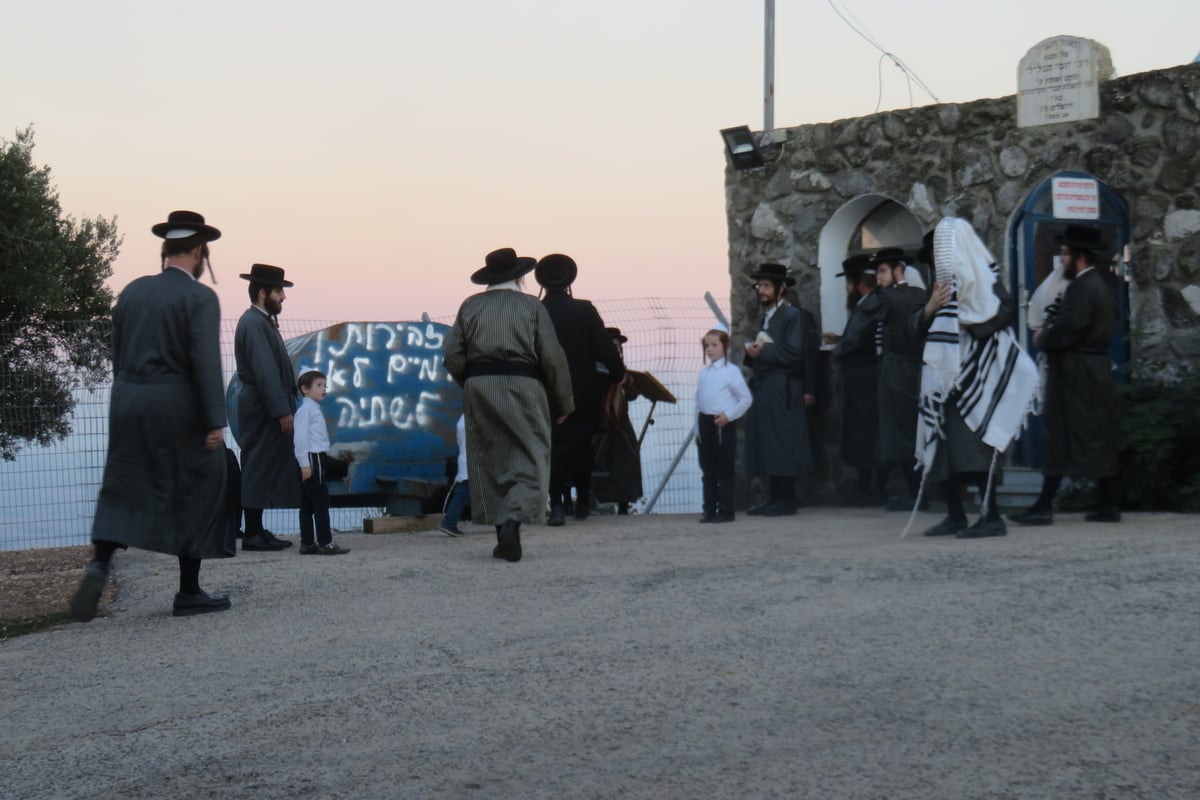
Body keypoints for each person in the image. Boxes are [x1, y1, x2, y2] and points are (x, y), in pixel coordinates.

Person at [72, 210, 233, 621]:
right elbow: (205, 362)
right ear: (199, 250)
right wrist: (215, 420)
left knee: (125, 482)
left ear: (166, 249)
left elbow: (117, 351)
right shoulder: (199, 298)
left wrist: (128, 393)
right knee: (200, 480)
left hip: (127, 398)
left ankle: (99, 563)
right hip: (175, 402)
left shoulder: (131, 291)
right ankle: (189, 592)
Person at [443, 248, 574, 562]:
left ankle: (502, 531)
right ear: (519, 276)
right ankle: (515, 521)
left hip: (480, 386)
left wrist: (471, 380)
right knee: (530, 454)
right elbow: (552, 355)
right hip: (524, 385)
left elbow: (451, 354)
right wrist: (563, 402)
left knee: (489, 459)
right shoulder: (531, 306)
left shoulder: (470, 306)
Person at [912, 217, 1038, 539]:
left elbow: (1003, 311)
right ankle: (955, 514)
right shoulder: (939, 285)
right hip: (944, 379)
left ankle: (991, 515)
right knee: (942, 449)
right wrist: (931, 308)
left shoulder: (984, 276)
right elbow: (917, 328)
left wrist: (968, 321)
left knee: (976, 449)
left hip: (976, 376)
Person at [1010, 224, 1122, 525]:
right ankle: (1106, 503)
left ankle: (1045, 506)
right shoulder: (1098, 283)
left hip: (1076, 371)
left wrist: (1042, 338)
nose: (1062, 261)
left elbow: (1068, 330)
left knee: (1060, 435)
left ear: (1079, 258)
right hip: (1088, 369)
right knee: (1096, 436)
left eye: (1065, 255)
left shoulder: (1083, 287)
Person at [534, 254, 625, 525]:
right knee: (583, 445)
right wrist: (618, 374)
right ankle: (583, 500)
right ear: (569, 280)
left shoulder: (535, 311)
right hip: (584, 391)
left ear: (543, 281)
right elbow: (605, 348)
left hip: (548, 391)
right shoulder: (584, 310)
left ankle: (558, 505)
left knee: (554, 447)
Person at [234, 263, 302, 551]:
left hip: (263, 406)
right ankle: (252, 535)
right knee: (258, 465)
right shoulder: (253, 324)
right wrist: (281, 411)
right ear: (263, 293)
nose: (283, 298)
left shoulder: (261, 322)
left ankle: (257, 529)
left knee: (261, 464)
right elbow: (265, 372)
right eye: (279, 292)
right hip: (262, 408)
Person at [744, 263, 817, 516]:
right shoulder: (767, 317)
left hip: (784, 387)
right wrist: (752, 353)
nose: (761, 291)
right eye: (759, 286)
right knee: (769, 442)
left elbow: (794, 353)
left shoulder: (793, 316)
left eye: (766, 286)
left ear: (780, 289)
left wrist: (763, 350)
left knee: (783, 442)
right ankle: (774, 497)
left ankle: (786, 499)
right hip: (767, 385)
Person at [868, 247, 929, 510]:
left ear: (898, 270)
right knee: (904, 429)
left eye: (882, 271)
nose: (878, 277)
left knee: (899, 430)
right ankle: (915, 491)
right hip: (909, 366)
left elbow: (868, 310)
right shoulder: (917, 295)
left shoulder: (891, 297)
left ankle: (916, 493)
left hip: (899, 368)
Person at [827, 254, 884, 505]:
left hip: (864, 382)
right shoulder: (866, 305)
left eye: (848, 283)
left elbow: (859, 339)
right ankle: (868, 485)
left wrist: (838, 350)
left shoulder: (869, 306)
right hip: (864, 380)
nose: (846, 289)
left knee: (865, 434)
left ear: (860, 283)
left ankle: (870, 488)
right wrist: (840, 340)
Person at [695, 323, 753, 522]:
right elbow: (698, 402)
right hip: (705, 423)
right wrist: (698, 431)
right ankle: (709, 510)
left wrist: (728, 415)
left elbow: (746, 399)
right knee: (708, 469)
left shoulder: (731, 372)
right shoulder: (704, 373)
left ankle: (726, 510)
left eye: (714, 345)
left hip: (723, 424)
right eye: (707, 345)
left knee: (725, 469)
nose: (709, 349)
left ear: (725, 347)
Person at [294, 370, 350, 555]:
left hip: (316, 457)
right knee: (320, 501)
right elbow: (300, 439)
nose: (323, 389)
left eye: (324, 385)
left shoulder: (313, 409)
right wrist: (304, 464)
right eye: (318, 385)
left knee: (308, 503)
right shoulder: (305, 411)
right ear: (305, 389)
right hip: (312, 457)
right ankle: (325, 542)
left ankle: (307, 542)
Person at [592, 327, 644, 515]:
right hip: (601, 422)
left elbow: (630, 396)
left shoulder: (621, 369)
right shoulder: (596, 367)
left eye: (619, 346)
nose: (618, 349)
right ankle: (593, 499)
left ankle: (624, 500)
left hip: (621, 422)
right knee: (599, 457)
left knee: (629, 453)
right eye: (614, 345)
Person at [438, 414, 470, 536]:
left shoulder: (464, 418)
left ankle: (449, 522)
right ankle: (449, 522)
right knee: (463, 492)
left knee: (463, 491)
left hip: (466, 460)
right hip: (473, 462)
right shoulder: (476, 417)